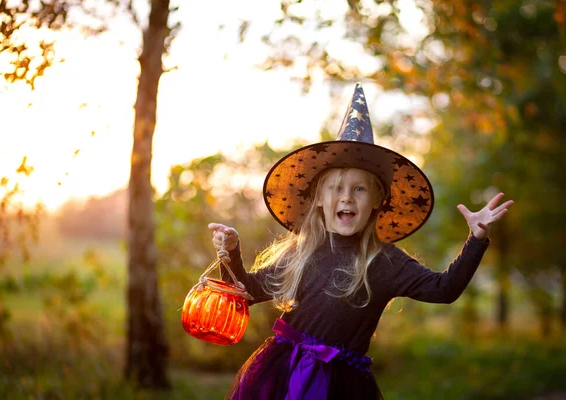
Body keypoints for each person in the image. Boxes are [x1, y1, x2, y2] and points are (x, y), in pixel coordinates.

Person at [207, 83, 514, 400]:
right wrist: (230, 253)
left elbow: (444, 289)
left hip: (343, 387)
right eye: (336, 188)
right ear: (320, 199)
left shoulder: (385, 262)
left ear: (378, 199)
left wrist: (476, 239)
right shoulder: (301, 252)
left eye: (359, 189)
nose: (346, 198)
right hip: (283, 375)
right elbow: (246, 290)